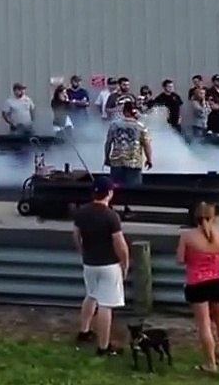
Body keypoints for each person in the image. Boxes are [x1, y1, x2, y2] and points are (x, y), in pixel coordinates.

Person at [73, 175, 129, 356]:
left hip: (89, 263)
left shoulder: (81, 212)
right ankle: (104, 347)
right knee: (106, 304)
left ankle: (84, 331)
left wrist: (83, 252)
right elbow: (120, 244)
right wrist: (125, 263)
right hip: (109, 265)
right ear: (110, 193)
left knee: (91, 295)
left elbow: (76, 236)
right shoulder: (111, 216)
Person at [178, 202, 219, 373]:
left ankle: (210, 364)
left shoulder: (187, 237)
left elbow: (180, 260)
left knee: (204, 324)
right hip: (217, 282)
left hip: (197, 283)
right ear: (214, 217)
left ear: (195, 217)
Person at [103, 100, 152, 189]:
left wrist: (107, 158)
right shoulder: (141, 126)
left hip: (116, 162)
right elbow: (147, 145)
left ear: (124, 112)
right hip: (134, 162)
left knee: (115, 189)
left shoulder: (114, 125)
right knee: (133, 190)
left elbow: (108, 143)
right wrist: (149, 160)